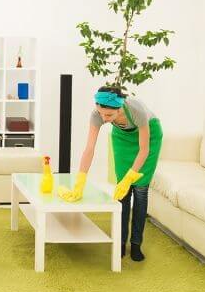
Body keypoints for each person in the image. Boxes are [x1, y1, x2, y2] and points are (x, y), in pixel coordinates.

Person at [61, 85, 163, 262]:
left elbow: (144, 150)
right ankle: (121, 242)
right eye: (101, 113)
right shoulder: (97, 115)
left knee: (140, 191)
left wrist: (131, 177)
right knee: (122, 194)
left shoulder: (136, 109)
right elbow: (89, 149)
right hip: (122, 139)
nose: (104, 118)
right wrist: (80, 181)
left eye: (109, 115)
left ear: (120, 107)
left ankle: (136, 244)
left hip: (149, 137)